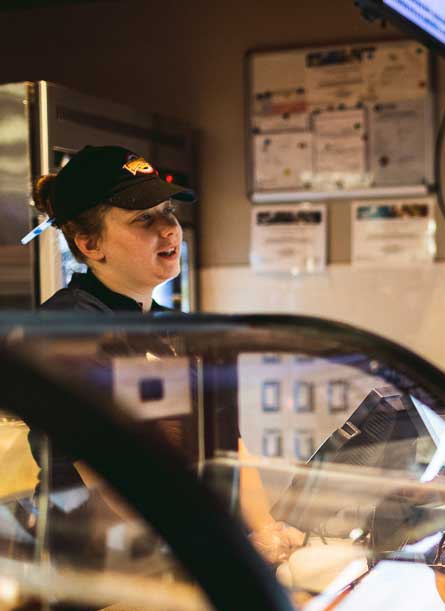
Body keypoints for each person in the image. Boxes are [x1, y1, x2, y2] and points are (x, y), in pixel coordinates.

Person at [27, 145, 302, 563]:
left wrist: (266, 532)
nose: (169, 229)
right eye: (144, 219)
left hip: (174, 553)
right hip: (91, 572)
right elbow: (117, 482)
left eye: (168, 211)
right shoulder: (65, 332)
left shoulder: (177, 328)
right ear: (89, 243)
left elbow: (230, 448)